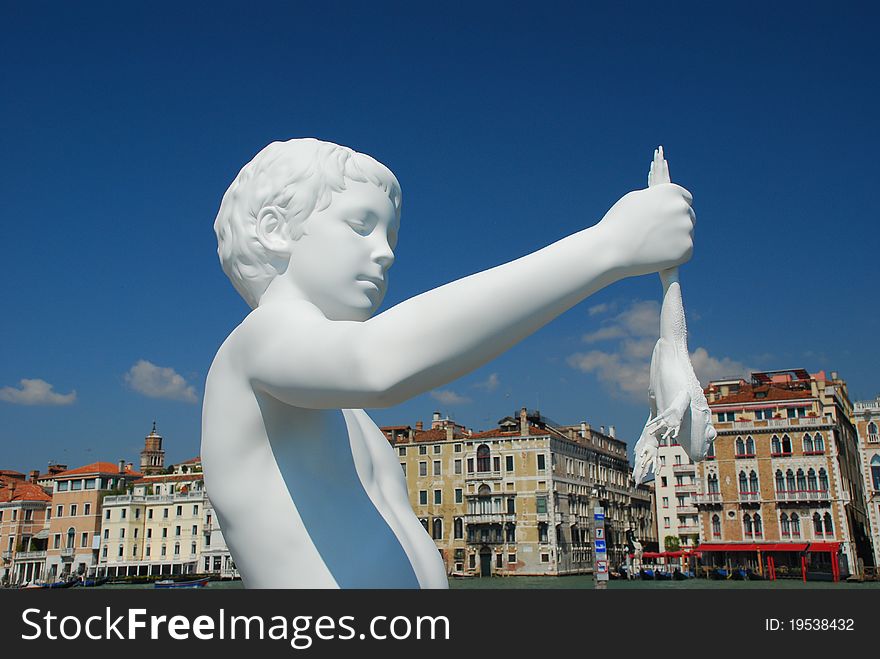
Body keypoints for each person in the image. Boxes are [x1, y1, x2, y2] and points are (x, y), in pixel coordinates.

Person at [202, 137, 696, 588]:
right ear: (274, 230)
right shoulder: (256, 342)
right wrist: (610, 246)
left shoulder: (343, 416)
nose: (385, 253)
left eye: (390, 237)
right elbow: (376, 362)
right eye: (360, 226)